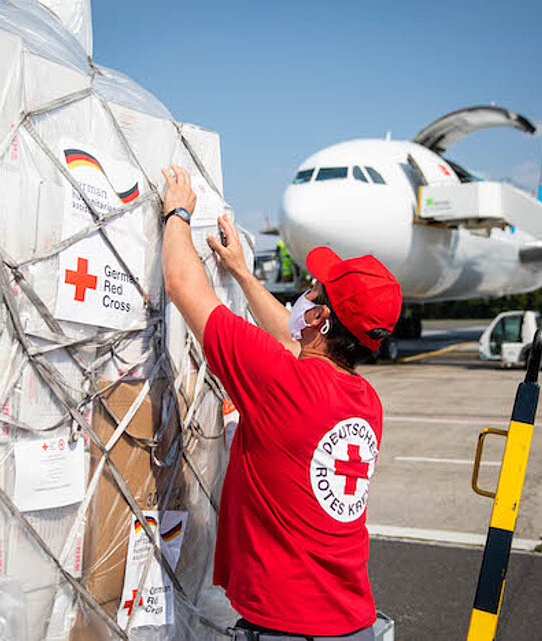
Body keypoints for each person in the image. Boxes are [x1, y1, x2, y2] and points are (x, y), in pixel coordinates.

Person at [159, 165, 401, 640]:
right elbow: (294, 346)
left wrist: (178, 212)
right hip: (351, 623)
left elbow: (183, 287)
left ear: (319, 316)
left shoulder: (280, 383)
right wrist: (243, 277)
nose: (304, 292)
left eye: (315, 290)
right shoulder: (363, 400)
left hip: (288, 629)